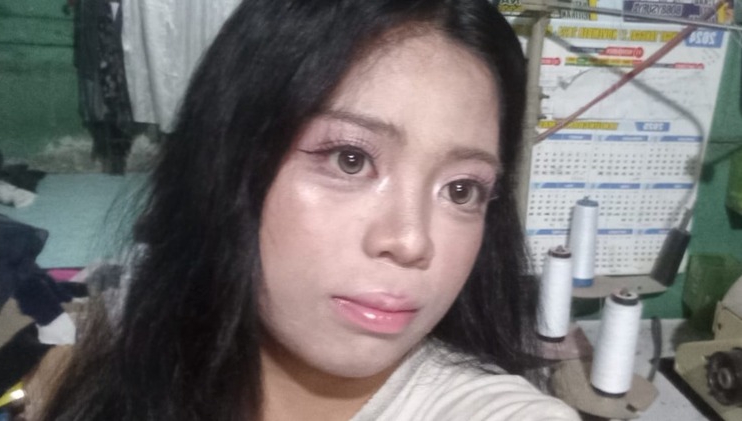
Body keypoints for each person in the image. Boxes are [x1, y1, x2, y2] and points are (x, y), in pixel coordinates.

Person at [40, 0, 580, 420]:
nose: (412, 241)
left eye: (462, 190)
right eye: (350, 160)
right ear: (231, 160)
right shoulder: (128, 362)